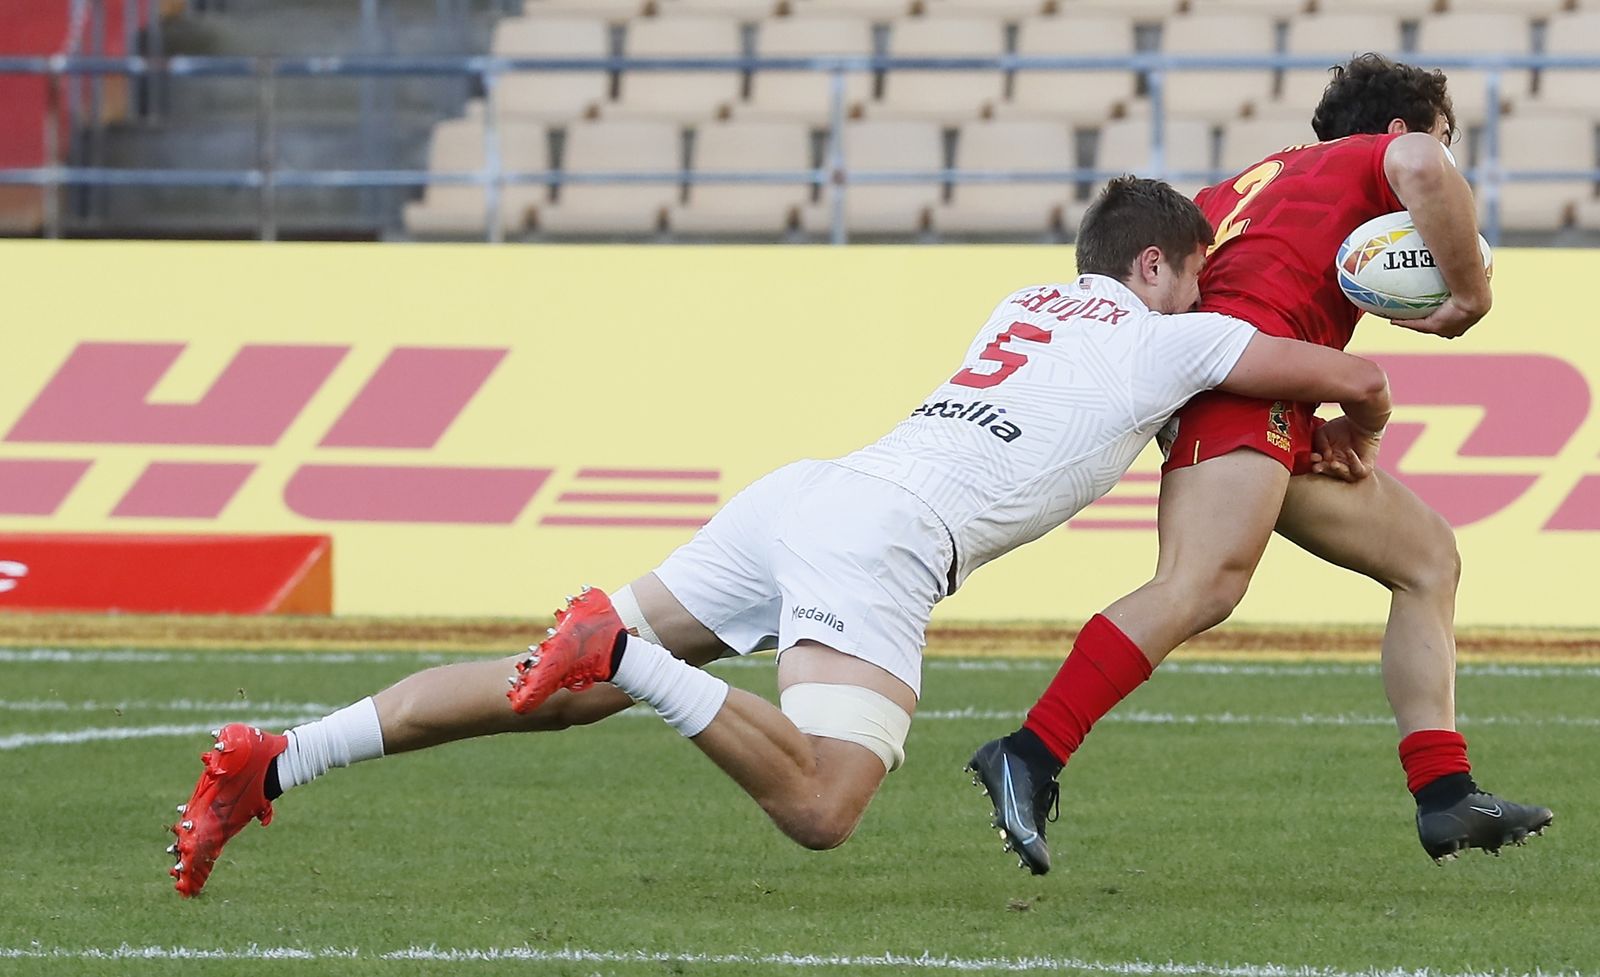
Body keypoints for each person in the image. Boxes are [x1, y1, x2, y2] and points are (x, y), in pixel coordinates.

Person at [167, 177, 1395, 896]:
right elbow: (1352, 370)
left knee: (537, 695)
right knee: (822, 803)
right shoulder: (1169, 334)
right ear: (1155, 265)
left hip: (805, 493)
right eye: (1198, 273)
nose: (1208, 296)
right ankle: (619, 651)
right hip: (884, 533)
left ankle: (273, 761)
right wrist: (1356, 425)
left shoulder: (1025, 299)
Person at [968, 54, 1552, 876]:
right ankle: (1029, 752)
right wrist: (1470, 296)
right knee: (1201, 583)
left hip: (1250, 384)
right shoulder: (1386, 158)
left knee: (1427, 557)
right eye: (1446, 137)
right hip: (1242, 378)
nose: (1446, 163)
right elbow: (1423, 167)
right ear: (1395, 131)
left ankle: (1445, 790)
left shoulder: (1247, 186)